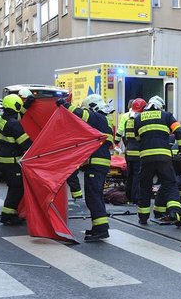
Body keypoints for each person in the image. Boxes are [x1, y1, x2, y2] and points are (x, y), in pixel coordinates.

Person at [56, 94, 114, 241]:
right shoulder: (105, 120)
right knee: (96, 195)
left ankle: (101, 229)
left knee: (93, 196)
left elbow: (81, 114)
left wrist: (65, 105)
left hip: (96, 162)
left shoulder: (97, 117)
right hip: (100, 161)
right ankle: (98, 227)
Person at [134, 95, 181, 227]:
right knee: (170, 184)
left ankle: (143, 217)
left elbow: (137, 138)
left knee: (145, 187)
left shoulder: (138, 118)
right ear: (160, 107)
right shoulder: (167, 116)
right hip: (163, 157)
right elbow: (179, 131)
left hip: (146, 158)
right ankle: (174, 212)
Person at [0, 94, 34, 225]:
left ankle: (9, 213)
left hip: (3, 160)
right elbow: (26, 144)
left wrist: (27, 105)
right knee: (17, 188)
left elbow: (18, 115)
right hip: (11, 162)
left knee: (14, 187)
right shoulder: (13, 125)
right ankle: (7, 215)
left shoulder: (4, 119)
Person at [116, 98, 146, 204]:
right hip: (138, 152)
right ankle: (135, 198)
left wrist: (116, 142)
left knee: (130, 175)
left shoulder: (128, 120)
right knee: (137, 176)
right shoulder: (140, 121)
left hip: (129, 151)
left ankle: (128, 196)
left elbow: (120, 133)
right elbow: (140, 137)